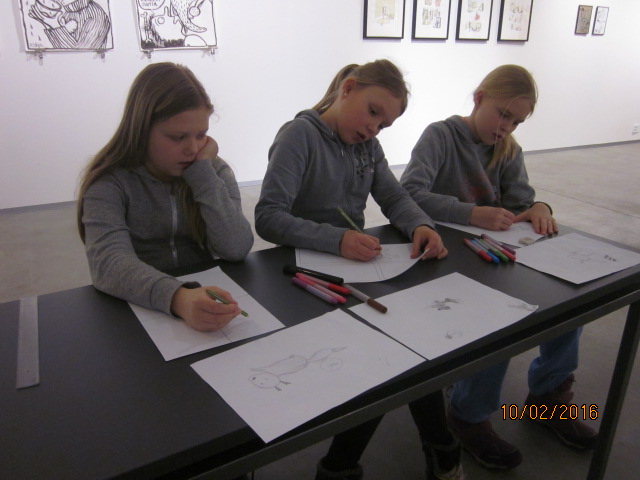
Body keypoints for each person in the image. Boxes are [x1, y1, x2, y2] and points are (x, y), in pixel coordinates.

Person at [255, 59, 463, 480]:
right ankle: (416, 452)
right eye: (372, 112)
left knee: (408, 347)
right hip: (303, 277)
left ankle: (424, 450)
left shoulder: (369, 148)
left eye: (383, 124)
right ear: (347, 89)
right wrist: (338, 240)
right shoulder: (299, 136)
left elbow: (394, 196)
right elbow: (268, 217)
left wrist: (420, 224)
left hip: (354, 270)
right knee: (386, 358)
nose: (373, 128)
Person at [401, 64, 597, 470]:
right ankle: (468, 415)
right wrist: (472, 213)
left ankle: (549, 397)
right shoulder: (440, 136)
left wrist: (539, 207)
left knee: (569, 300)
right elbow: (410, 194)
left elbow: (522, 201)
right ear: (479, 99)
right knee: (497, 317)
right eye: (503, 115)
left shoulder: (508, 149)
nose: (506, 127)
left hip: (493, 254)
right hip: (445, 256)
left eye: (516, 121)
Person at [77, 62, 254, 335]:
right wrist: (178, 297)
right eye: (177, 137)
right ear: (141, 130)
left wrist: (202, 176)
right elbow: (108, 263)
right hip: (134, 307)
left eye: (201, 135)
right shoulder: (110, 182)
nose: (193, 149)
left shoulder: (212, 171)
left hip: (205, 296)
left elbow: (236, 247)